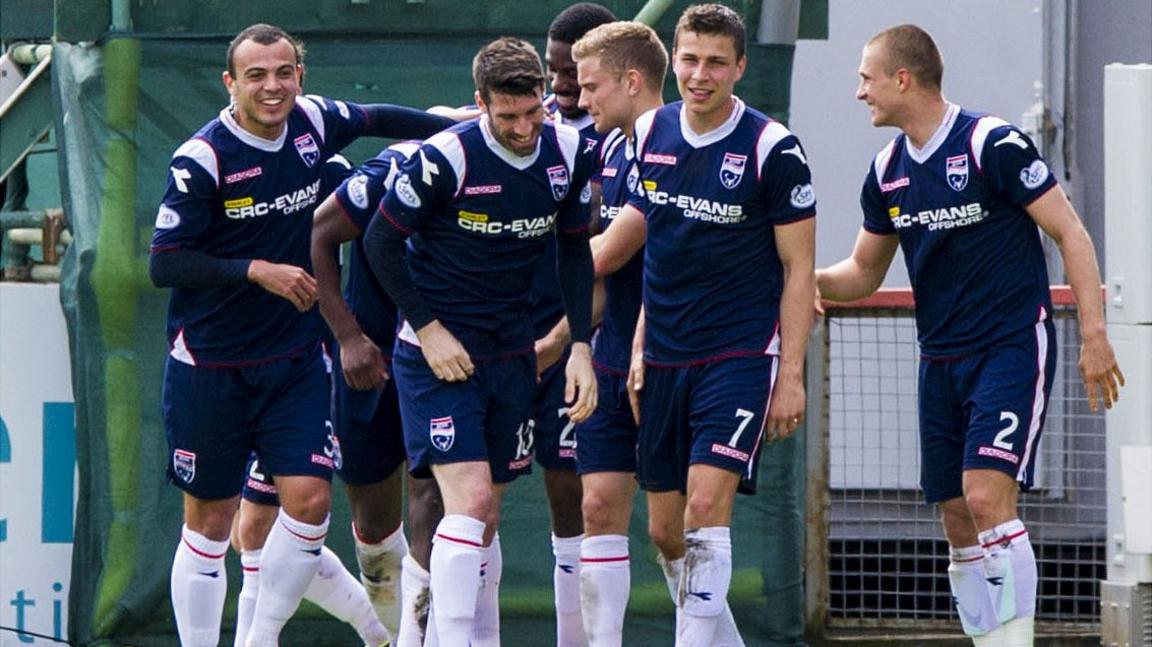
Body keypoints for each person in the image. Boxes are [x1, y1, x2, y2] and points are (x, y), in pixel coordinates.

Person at [816, 24, 1124, 646]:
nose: (858, 93)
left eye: (865, 78)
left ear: (902, 79)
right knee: (957, 518)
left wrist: (1095, 335)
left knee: (986, 498)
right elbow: (861, 273)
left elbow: (1072, 234)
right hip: (939, 362)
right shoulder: (886, 170)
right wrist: (794, 280)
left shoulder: (992, 143)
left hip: (1010, 346)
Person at [149, 23, 454, 647]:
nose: (272, 86)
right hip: (211, 363)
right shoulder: (203, 158)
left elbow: (378, 116)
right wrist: (253, 271)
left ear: (300, 77)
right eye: (255, 75)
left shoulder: (314, 123)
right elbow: (166, 262)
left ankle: (259, 640)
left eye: (283, 72)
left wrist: (458, 134)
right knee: (211, 521)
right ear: (229, 83)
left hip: (294, 359)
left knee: (311, 502)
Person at [362, 36, 598, 646]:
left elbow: (575, 250)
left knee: (484, 518)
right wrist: (430, 328)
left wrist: (579, 347)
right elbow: (379, 244)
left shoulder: (570, 153)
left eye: (532, 112)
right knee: (465, 504)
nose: (523, 128)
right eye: (508, 115)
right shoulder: (445, 158)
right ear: (481, 103)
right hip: (435, 354)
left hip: (511, 353)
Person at [602, 5, 816, 645]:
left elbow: (798, 269)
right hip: (664, 356)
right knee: (665, 533)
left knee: (703, 513)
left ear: (740, 67)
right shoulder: (648, 134)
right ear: (675, 59)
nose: (701, 74)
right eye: (690, 59)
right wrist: (640, 344)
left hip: (740, 356)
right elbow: (657, 251)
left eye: (716, 62)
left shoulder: (772, 149)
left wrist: (792, 377)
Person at [543, 20, 664, 646]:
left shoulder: (670, 146)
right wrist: (570, 340)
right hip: (613, 351)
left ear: (631, 81)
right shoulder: (609, 148)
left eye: (589, 86)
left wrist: (505, 259)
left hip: (676, 356)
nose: (580, 100)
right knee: (596, 511)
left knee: (678, 532)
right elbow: (593, 282)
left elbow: (605, 255)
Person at [534, 4, 617, 645]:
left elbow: (609, 253)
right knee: (466, 494)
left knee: (577, 492)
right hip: (512, 329)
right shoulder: (518, 124)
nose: (563, 87)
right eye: (555, 72)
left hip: (589, 333)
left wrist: (569, 335)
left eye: (576, 76)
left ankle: (577, 635)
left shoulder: (623, 139)